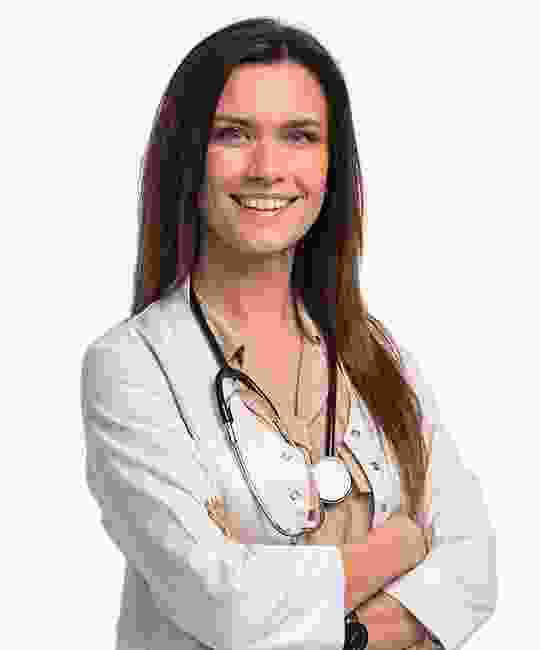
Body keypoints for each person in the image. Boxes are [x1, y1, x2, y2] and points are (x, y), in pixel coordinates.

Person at [80, 16, 497, 650]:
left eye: (299, 136)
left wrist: (332, 624)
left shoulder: (378, 353)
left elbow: (473, 565)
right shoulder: (130, 367)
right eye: (233, 134)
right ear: (188, 157)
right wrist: (399, 547)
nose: (267, 168)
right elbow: (224, 604)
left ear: (331, 164)